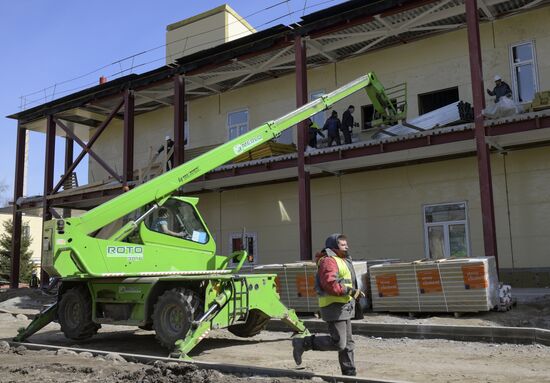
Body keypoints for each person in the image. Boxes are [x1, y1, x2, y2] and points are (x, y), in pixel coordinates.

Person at [292, 234, 364, 376]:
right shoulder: (329, 261)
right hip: (334, 306)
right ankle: (303, 343)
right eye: (343, 245)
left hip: (345, 305)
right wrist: (350, 290)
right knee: (339, 343)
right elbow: (330, 284)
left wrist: (353, 294)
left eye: (346, 244)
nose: (347, 247)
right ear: (334, 246)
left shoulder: (341, 259)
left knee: (348, 344)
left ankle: (349, 373)